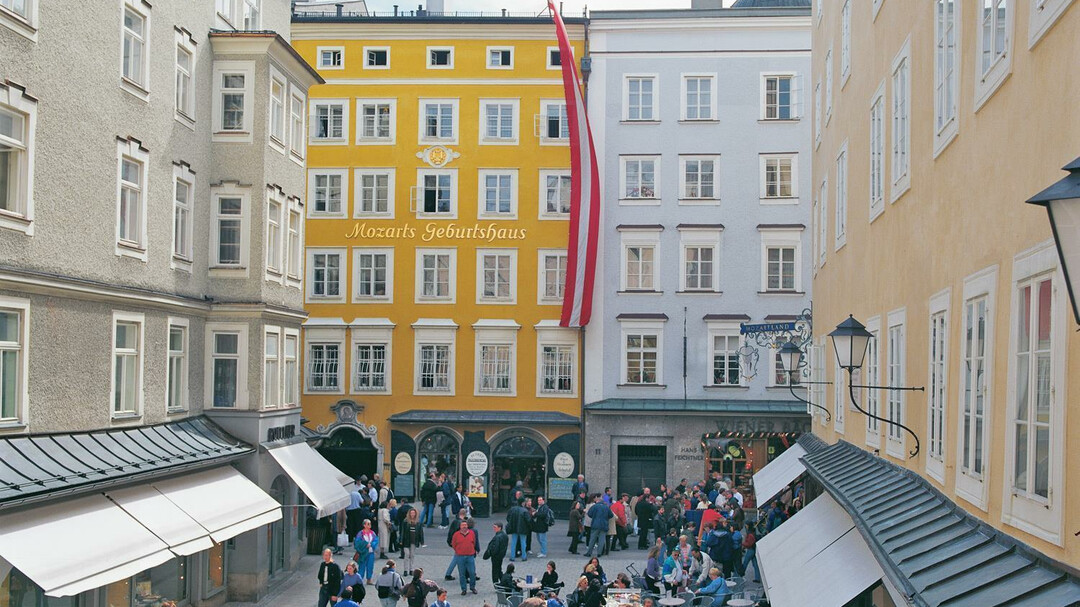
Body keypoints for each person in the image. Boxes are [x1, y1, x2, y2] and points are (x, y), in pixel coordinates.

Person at [450, 520, 478, 595]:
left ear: (467, 526)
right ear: (460, 526)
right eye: (463, 525)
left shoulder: (472, 533)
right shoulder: (456, 535)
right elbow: (453, 544)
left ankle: (472, 587)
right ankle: (464, 589)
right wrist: (459, 551)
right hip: (460, 556)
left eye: (465, 525)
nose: (464, 526)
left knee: (472, 573)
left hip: (470, 556)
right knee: (462, 574)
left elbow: (474, 542)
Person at [355, 518, 380, 584]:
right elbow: (357, 542)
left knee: (370, 566)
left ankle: (369, 579)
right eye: (368, 524)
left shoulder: (372, 533)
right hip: (363, 553)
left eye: (370, 524)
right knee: (362, 566)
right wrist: (365, 544)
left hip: (371, 552)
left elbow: (376, 540)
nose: (369, 525)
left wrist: (371, 544)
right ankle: (359, 579)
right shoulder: (360, 533)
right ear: (364, 525)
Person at [400, 508, 425, 573]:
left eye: (413, 513)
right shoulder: (405, 521)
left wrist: (422, 541)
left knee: (412, 555)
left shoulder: (418, 522)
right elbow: (402, 531)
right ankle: (405, 570)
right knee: (406, 554)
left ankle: (411, 569)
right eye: (411, 513)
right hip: (406, 540)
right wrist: (401, 540)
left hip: (414, 541)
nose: (412, 514)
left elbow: (420, 532)